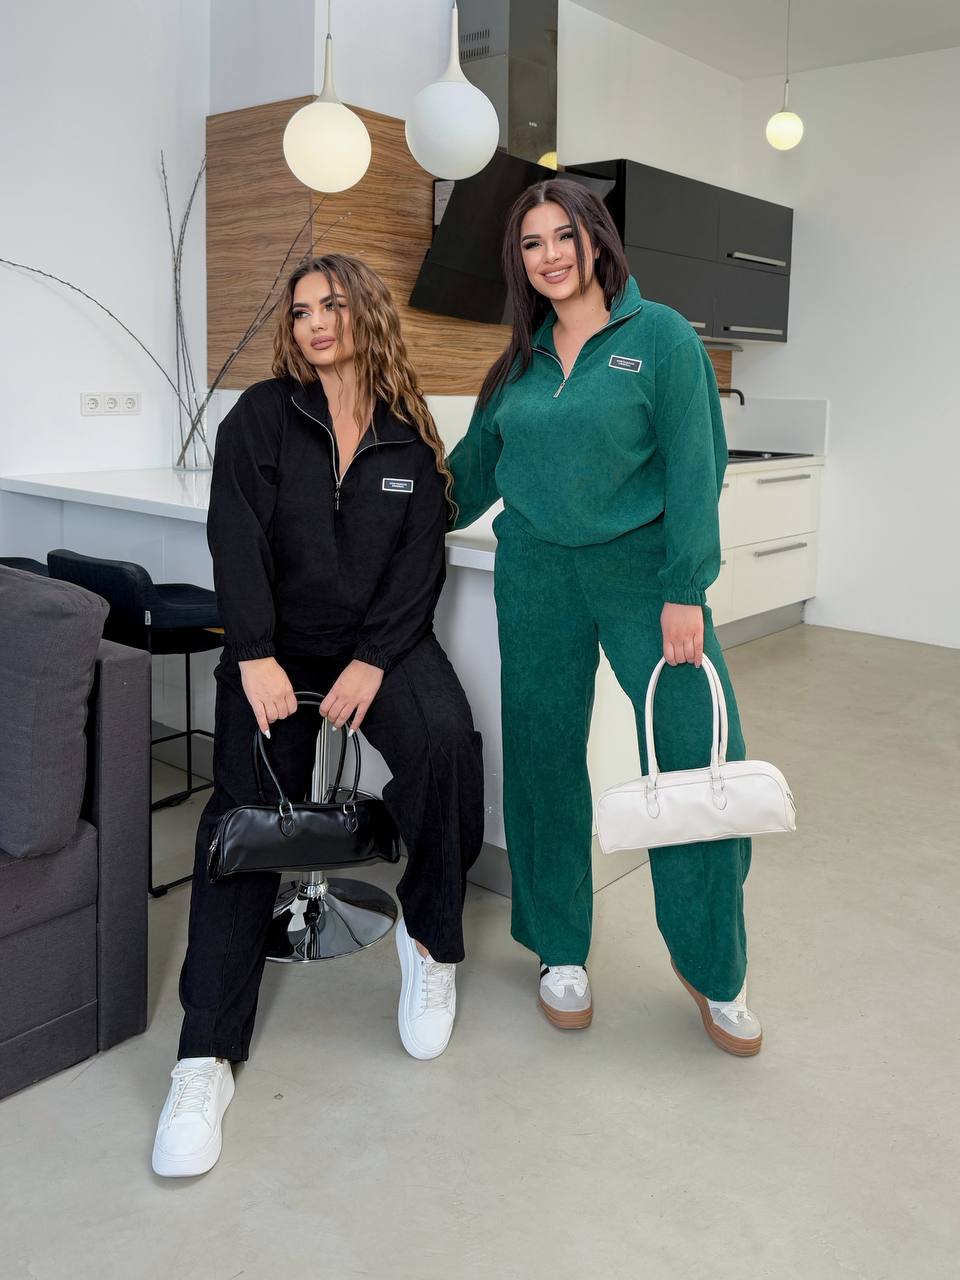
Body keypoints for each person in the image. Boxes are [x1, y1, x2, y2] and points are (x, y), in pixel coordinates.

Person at [152, 255, 484, 1178]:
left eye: (332, 305)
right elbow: (236, 538)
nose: (315, 323)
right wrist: (255, 651)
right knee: (243, 816)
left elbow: (420, 564)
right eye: (301, 311)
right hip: (276, 645)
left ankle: (429, 941)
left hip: (383, 644)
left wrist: (374, 659)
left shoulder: (409, 436)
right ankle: (204, 1055)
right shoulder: (262, 416)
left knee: (446, 745)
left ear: (366, 312)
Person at [447, 179, 762, 1055]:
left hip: (643, 574)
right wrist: (380, 509)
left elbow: (697, 465)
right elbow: (469, 472)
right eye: (531, 243)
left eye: (563, 236)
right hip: (537, 575)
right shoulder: (518, 360)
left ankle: (715, 967)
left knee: (699, 753)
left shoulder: (659, 336)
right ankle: (559, 950)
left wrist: (686, 587)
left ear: (597, 241)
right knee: (543, 757)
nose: (549, 256)